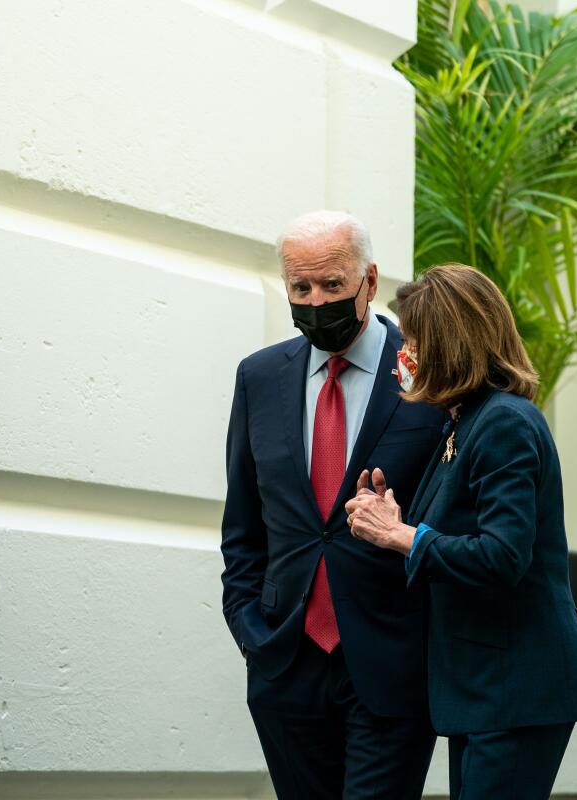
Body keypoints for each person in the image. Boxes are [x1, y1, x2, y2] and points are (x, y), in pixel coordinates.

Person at [345, 263, 577, 800]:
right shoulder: (463, 421)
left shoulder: (504, 422)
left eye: (412, 340)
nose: (403, 354)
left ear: (446, 344)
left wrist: (402, 537)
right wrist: (394, 518)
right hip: (483, 688)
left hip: (516, 686)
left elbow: (503, 555)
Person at [220, 210, 445, 799]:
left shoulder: (432, 374)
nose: (316, 301)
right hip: (285, 661)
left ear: (369, 282)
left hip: (391, 662)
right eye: (301, 287)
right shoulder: (259, 377)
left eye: (332, 285)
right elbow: (243, 526)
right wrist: (251, 631)